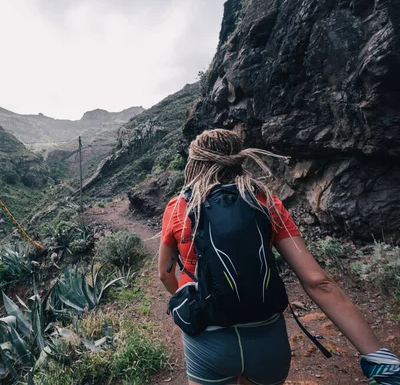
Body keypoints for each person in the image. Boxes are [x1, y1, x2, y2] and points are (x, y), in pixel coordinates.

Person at [157, 129, 400, 385]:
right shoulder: (265, 202)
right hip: (265, 337)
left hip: (208, 339)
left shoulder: (179, 207)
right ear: (238, 159)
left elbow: (164, 274)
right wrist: (379, 356)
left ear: (194, 163)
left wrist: (188, 299)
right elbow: (318, 282)